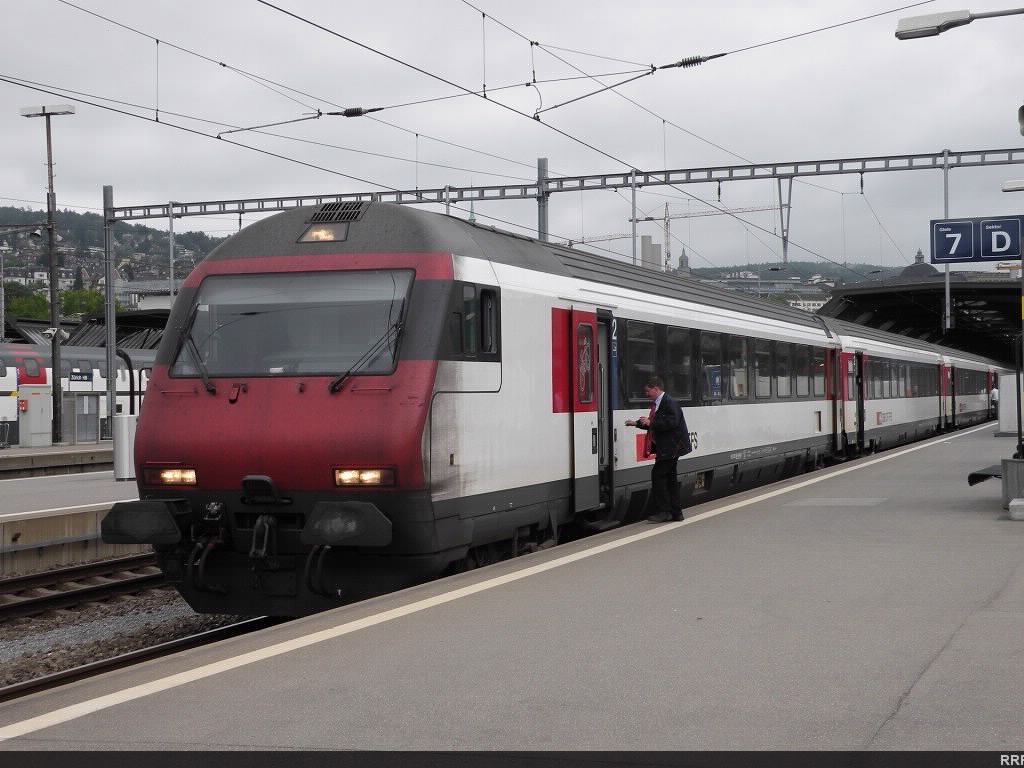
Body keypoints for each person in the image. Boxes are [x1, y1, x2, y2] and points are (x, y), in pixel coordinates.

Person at [625, 376, 692, 523]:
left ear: (656, 388)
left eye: (648, 391)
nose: (646, 394)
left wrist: (651, 422)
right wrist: (636, 423)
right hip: (669, 447)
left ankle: (664, 512)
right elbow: (654, 424)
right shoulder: (659, 403)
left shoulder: (669, 402)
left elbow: (671, 422)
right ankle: (676, 513)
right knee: (670, 479)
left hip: (671, 447)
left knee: (658, 475)